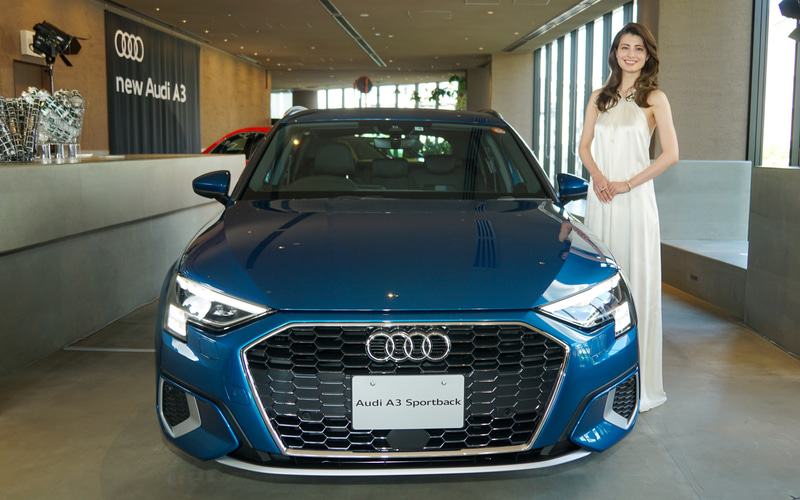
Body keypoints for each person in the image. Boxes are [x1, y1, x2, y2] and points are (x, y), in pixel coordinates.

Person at [578, 22, 679, 412]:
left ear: (648, 55)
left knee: (635, 286)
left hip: (634, 200)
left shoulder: (655, 98)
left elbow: (671, 154)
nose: (631, 54)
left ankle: (639, 384)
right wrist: (599, 178)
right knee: (601, 292)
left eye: (638, 48)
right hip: (601, 197)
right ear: (615, 52)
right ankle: (600, 385)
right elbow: (584, 146)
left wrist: (627, 183)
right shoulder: (599, 97)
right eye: (624, 47)